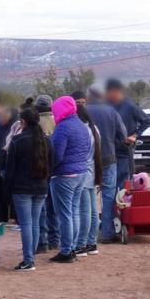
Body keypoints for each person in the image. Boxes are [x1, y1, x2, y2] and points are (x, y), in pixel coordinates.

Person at [5, 108, 53, 271]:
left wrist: (7, 190)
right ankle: (30, 257)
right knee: (34, 223)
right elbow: (53, 162)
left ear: (22, 122)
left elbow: (10, 169)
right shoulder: (46, 140)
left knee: (26, 224)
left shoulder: (17, 141)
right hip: (41, 187)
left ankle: (28, 260)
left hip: (21, 188)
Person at [49, 96, 91, 263]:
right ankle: (72, 247)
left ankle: (66, 251)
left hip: (64, 176)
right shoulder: (81, 125)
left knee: (65, 214)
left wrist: (48, 169)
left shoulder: (62, 128)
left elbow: (57, 155)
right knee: (73, 212)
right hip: (81, 173)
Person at [86, 82, 127, 244]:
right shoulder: (111, 111)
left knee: (87, 195)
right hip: (109, 158)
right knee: (109, 195)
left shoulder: (83, 111)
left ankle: (90, 233)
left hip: (88, 160)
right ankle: (108, 233)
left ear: (90, 95)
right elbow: (122, 136)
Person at [105, 78, 150, 189]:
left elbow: (146, 121)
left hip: (125, 150)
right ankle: (113, 206)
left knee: (124, 181)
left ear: (116, 91)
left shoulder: (129, 105)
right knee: (110, 183)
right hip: (109, 150)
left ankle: (122, 204)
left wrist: (135, 135)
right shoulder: (106, 105)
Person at [75, 103, 103, 256]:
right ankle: (92, 242)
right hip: (93, 172)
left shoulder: (81, 130)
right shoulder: (94, 129)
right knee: (92, 210)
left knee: (84, 211)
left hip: (83, 172)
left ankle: (81, 244)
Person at [35, 94, 58, 252]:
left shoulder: (34, 122)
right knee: (54, 208)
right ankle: (55, 240)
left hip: (39, 171)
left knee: (41, 208)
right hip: (55, 170)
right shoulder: (58, 120)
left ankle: (42, 242)